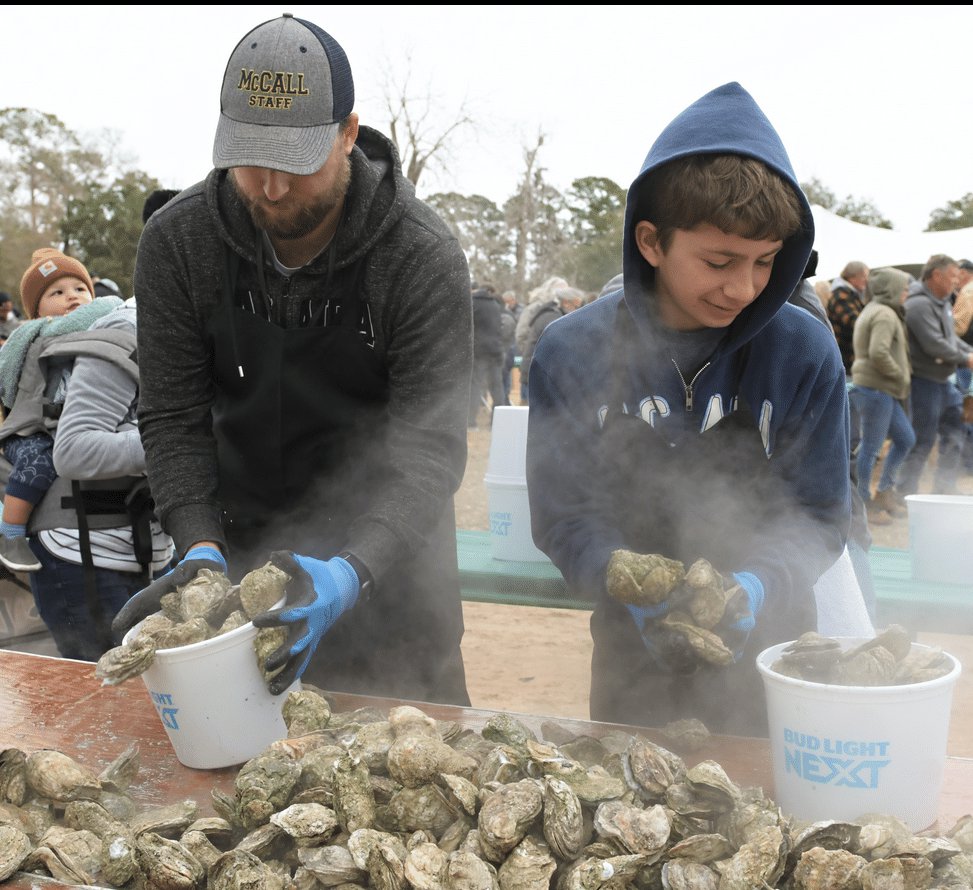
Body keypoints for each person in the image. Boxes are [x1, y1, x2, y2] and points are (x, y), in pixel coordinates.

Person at [112, 13, 473, 706]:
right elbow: (174, 419)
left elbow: (429, 452)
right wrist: (197, 547)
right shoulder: (177, 245)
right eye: (250, 160)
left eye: (295, 164)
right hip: (244, 584)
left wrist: (349, 572)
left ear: (346, 133)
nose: (272, 190)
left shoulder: (419, 255)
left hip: (392, 587)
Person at [525, 82, 851, 735]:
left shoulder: (802, 350)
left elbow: (818, 514)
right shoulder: (570, 351)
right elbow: (564, 518)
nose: (744, 287)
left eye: (764, 263)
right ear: (651, 242)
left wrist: (755, 587)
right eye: (719, 260)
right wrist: (623, 581)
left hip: (774, 657)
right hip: (629, 656)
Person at [0, 249, 124, 573]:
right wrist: (110, 305)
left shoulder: (101, 332)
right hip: (32, 430)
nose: (72, 297)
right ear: (37, 309)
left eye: (80, 289)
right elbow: (107, 308)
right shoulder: (40, 334)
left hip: (71, 425)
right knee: (39, 462)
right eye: (57, 292)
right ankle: (10, 531)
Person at [897, 254, 973, 496]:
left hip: (943, 382)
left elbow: (951, 340)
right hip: (923, 383)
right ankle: (906, 493)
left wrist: (969, 352)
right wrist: (967, 358)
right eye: (952, 276)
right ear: (937, 276)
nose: (956, 281)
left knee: (956, 431)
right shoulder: (918, 305)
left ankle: (945, 487)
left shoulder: (941, 303)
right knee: (922, 440)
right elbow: (934, 344)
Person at [849, 267, 915, 523]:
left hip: (880, 389)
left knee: (905, 438)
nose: (907, 292)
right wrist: (900, 375)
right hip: (876, 389)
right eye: (904, 287)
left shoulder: (876, 309)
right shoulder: (885, 314)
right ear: (891, 289)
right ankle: (864, 504)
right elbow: (878, 352)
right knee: (871, 449)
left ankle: (884, 491)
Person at [519, 286, 585, 404]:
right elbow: (560, 349)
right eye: (576, 305)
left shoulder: (551, 314)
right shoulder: (553, 318)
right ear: (566, 302)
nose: (578, 309)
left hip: (537, 371)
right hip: (539, 374)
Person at [469, 282, 507, 428]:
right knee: (497, 387)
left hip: (478, 351)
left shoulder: (472, 304)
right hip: (495, 350)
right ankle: (498, 423)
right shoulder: (495, 305)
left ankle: (471, 422)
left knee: (475, 386)